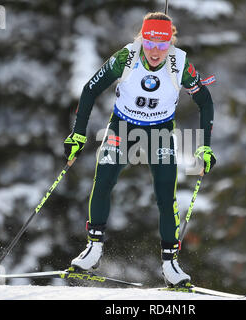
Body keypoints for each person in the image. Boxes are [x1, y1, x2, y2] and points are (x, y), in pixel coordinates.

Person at [63, 12, 216, 287]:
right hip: (123, 127)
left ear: (170, 42)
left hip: (160, 132)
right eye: (150, 43)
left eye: (162, 44)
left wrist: (204, 147)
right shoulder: (127, 57)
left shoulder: (179, 63)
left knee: (165, 193)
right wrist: (77, 135)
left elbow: (205, 101)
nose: (155, 51)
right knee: (103, 180)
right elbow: (89, 90)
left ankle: (170, 265)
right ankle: (93, 249)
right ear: (141, 39)